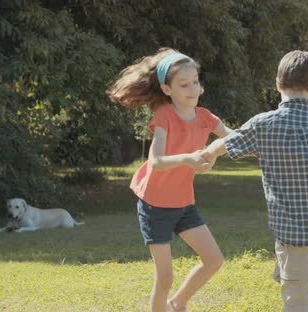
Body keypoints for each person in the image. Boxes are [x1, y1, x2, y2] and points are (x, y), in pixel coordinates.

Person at [202, 50, 308, 311]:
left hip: (292, 234)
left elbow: (227, 142)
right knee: (305, 285)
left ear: (277, 84)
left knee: (298, 297)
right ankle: (293, 283)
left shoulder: (262, 125)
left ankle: (293, 286)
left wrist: (209, 154)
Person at [107, 47, 233, 312]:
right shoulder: (164, 115)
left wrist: (213, 156)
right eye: (184, 84)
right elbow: (157, 162)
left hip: (183, 203)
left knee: (214, 260)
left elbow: (231, 139)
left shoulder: (206, 117)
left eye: (195, 82)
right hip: (154, 205)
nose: (192, 89)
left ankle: (178, 303)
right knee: (165, 276)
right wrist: (188, 158)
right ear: (167, 90)